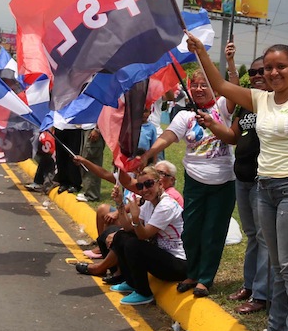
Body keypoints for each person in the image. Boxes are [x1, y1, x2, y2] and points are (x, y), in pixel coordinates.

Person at [187, 35, 288, 331]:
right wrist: (203, 51)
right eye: (269, 67)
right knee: (276, 266)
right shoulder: (260, 99)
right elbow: (219, 84)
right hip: (265, 188)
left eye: (281, 66)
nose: (274, 72)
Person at [139, 68, 236, 299]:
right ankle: (192, 273)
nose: (199, 89)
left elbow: (233, 88)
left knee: (213, 231)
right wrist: (148, 154)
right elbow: (168, 136)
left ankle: (204, 279)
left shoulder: (222, 106)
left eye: (205, 85)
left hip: (223, 182)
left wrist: (231, 64)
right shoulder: (184, 115)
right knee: (191, 231)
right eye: (195, 85)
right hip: (194, 180)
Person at [199, 54, 270, 315]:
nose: (258, 76)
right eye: (253, 73)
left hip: (264, 180)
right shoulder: (246, 105)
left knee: (263, 238)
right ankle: (250, 285)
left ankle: (261, 294)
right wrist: (212, 124)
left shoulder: (273, 103)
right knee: (253, 236)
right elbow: (232, 137)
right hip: (243, 179)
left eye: (263, 71)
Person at [76, 166, 187, 306]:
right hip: (162, 255)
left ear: (159, 184)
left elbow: (143, 235)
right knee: (121, 235)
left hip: (179, 264)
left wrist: (135, 219)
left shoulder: (166, 206)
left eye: (149, 184)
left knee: (133, 244)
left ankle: (144, 293)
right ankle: (130, 282)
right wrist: (119, 204)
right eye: (141, 186)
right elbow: (128, 228)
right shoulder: (149, 203)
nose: (145, 190)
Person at [76, 126, 105, 202]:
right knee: (85, 160)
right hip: (87, 128)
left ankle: (92, 195)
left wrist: (97, 130)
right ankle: (88, 192)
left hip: (93, 129)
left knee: (91, 160)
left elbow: (101, 114)